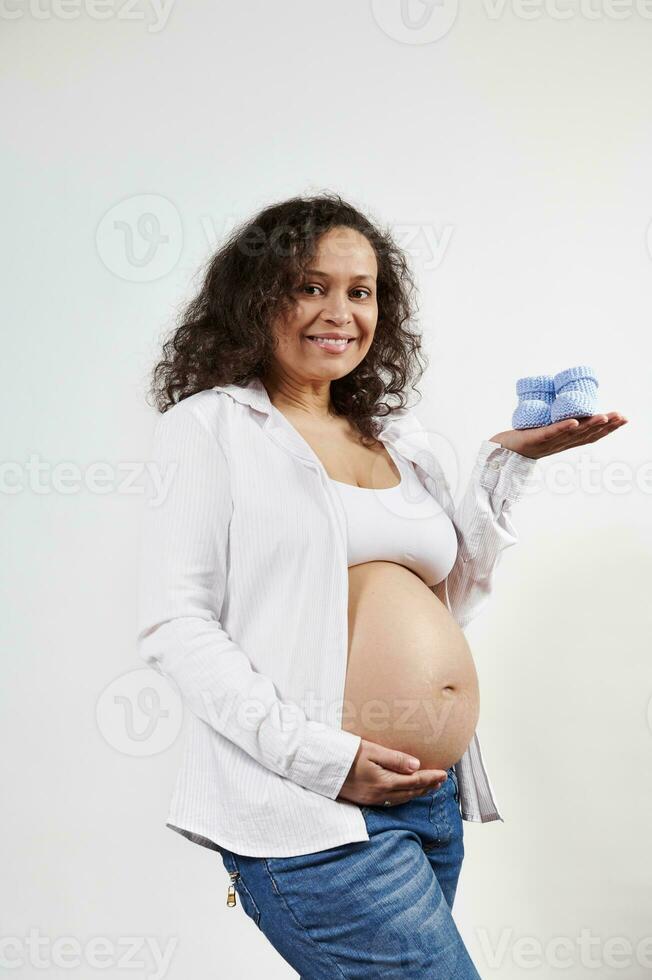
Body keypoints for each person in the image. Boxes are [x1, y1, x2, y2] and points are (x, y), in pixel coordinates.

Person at [137, 192, 627, 977]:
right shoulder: (212, 428)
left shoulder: (400, 440)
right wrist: (321, 759)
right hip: (312, 812)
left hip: (432, 802)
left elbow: (450, 604)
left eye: (359, 291)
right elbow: (178, 625)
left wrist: (509, 462)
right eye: (310, 286)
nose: (340, 312)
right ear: (256, 298)